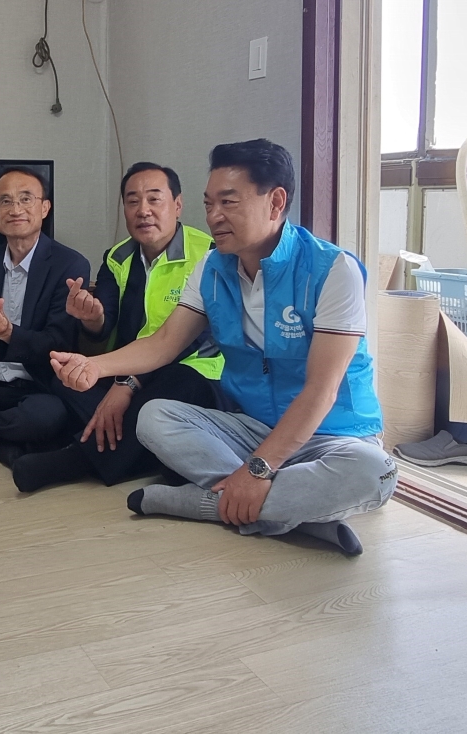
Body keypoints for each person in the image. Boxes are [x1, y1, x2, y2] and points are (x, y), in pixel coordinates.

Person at [48, 139, 395, 556]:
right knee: (154, 416)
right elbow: (163, 343)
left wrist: (259, 470)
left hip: (335, 436)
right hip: (252, 428)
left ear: (275, 202)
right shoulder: (211, 268)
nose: (214, 216)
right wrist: (95, 366)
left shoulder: (333, 270)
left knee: (375, 473)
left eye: (228, 202)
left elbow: (322, 390)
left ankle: (204, 504)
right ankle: (297, 516)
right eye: (209, 204)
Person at [10, 162, 223, 493]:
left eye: (154, 199)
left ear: (178, 205)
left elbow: (191, 341)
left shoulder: (208, 255)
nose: (143, 210)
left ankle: (77, 460)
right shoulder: (116, 257)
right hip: (128, 367)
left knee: (176, 385)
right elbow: (104, 327)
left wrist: (129, 384)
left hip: (194, 371)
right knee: (65, 380)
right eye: (132, 201)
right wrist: (92, 317)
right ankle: (148, 449)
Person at [0, 167, 91, 466]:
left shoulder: (70, 264)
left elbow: (58, 342)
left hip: (37, 386)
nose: (16, 209)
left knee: (48, 417)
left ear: (45, 208)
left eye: (26, 199)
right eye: (5, 201)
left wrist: (8, 334)